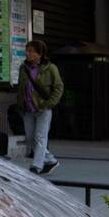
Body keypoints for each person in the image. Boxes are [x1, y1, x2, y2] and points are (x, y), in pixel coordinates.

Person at [16, 39, 63, 175]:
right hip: (28, 109)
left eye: (31, 51)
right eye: (27, 50)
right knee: (30, 138)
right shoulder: (23, 68)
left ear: (39, 53)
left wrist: (49, 103)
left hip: (43, 109)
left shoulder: (50, 68)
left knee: (40, 137)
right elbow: (21, 87)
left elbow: (59, 88)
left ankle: (36, 166)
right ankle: (51, 160)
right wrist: (20, 103)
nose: (28, 53)